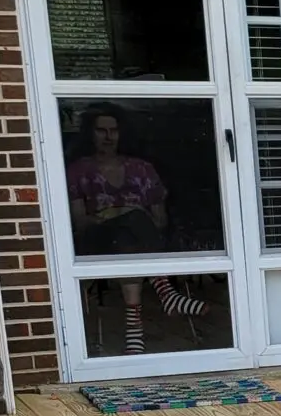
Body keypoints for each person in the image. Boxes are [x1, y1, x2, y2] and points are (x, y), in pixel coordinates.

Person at [64, 107, 209, 356]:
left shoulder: (142, 169)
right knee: (130, 223)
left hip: (138, 240)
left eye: (114, 130)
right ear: (90, 133)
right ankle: (167, 295)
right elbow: (79, 223)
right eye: (101, 130)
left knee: (129, 235)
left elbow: (160, 219)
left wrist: (129, 216)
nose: (108, 137)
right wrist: (114, 215)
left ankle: (135, 328)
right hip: (96, 242)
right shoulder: (78, 170)